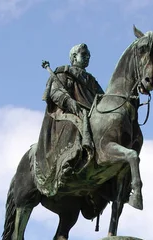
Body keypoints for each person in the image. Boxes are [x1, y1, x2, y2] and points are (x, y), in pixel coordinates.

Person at [34, 43, 104, 200]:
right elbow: (55, 92)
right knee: (75, 124)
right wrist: (68, 101)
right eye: (83, 55)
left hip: (89, 112)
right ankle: (67, 161)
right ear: (74, 57)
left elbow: (102, 98)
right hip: (67, 112)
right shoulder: (62, 73)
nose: (87, 58)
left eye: (88, 56)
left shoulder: (90, 80)